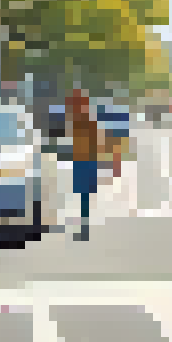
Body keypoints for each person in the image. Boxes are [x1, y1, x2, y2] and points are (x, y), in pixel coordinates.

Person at [66, 89, 101, 240]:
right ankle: (83, 226)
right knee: (82, 194)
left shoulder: (86, 121)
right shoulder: (77, 120)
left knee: (84, 195)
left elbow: (94, 141)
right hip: (81, 160)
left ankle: (84, 227)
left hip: (85, 161)